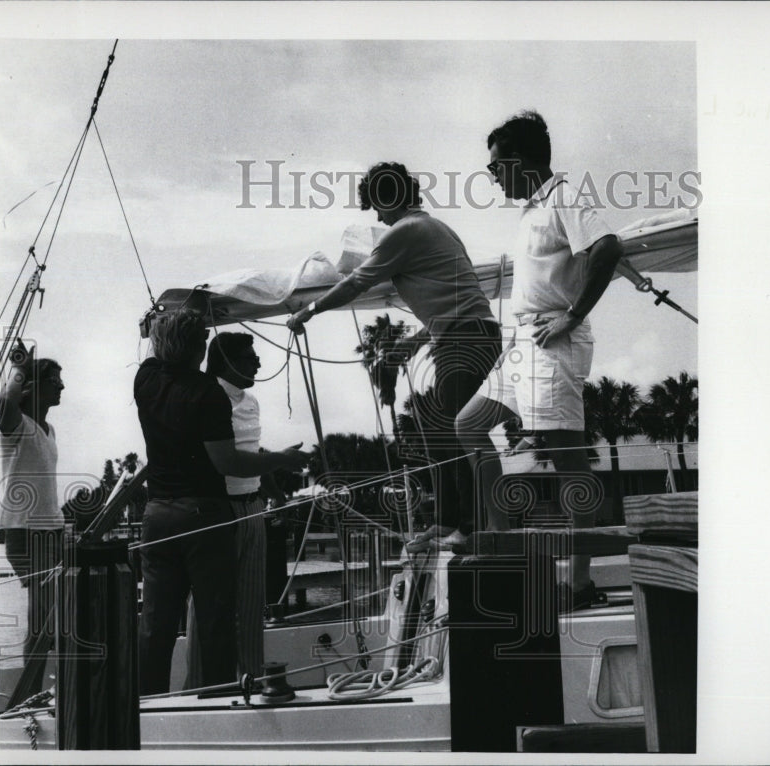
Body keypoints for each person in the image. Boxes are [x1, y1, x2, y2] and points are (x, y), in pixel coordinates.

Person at [456, 111, 653, 610]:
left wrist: (571, 313)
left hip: (552, 338)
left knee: (566, 454)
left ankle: (580, 580)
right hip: (522, 341)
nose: (493, 176)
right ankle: (506, 548)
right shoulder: (532, 210)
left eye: (496, 166)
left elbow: (608, 248)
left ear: (521, 162)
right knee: (469, 425)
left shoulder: (565, 196)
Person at [287, 162, 502, 549]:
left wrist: (310, 309)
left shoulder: (404, 232)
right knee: (439, 429)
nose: (377, 216)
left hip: (465, 340)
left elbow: (356, 281)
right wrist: (416, 341)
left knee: (454, 430)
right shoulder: (436, 228)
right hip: (466, 335)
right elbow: (456, 298)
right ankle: (446, 521)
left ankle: (470, 529)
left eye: (378, 206)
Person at [135, 309, 306, 694]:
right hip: (204, 516)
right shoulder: (207, 393)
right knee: (215, 618)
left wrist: (168, 320)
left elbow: (151, 341)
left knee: (155, 621)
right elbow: (228, 461)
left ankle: (146, 703)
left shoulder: (144, 378)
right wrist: (283, 459)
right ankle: (214, 700)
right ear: (198, 348)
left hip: (157, 514)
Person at [184, 332, 281, 688]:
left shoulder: (251, 401)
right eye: (250, 358)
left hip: (252, 506)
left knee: (253, 602)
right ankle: (199, 685)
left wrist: (275, 490)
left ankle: (251, 677)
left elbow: (250, 450)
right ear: (227, 361)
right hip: (217, 512)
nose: (258, 363)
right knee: (209, 606)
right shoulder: (206, 395)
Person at [0, 343, 66, 702]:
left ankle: (37, 691)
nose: (62, 387)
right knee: (43, 618)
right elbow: (7, 404)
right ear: (35, 387)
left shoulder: (49, 430)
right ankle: (28, 697)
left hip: (51, 531)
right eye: (55, 381)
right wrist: (21, 368)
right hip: (24, 532)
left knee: (52, 618)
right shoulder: (16, 426)